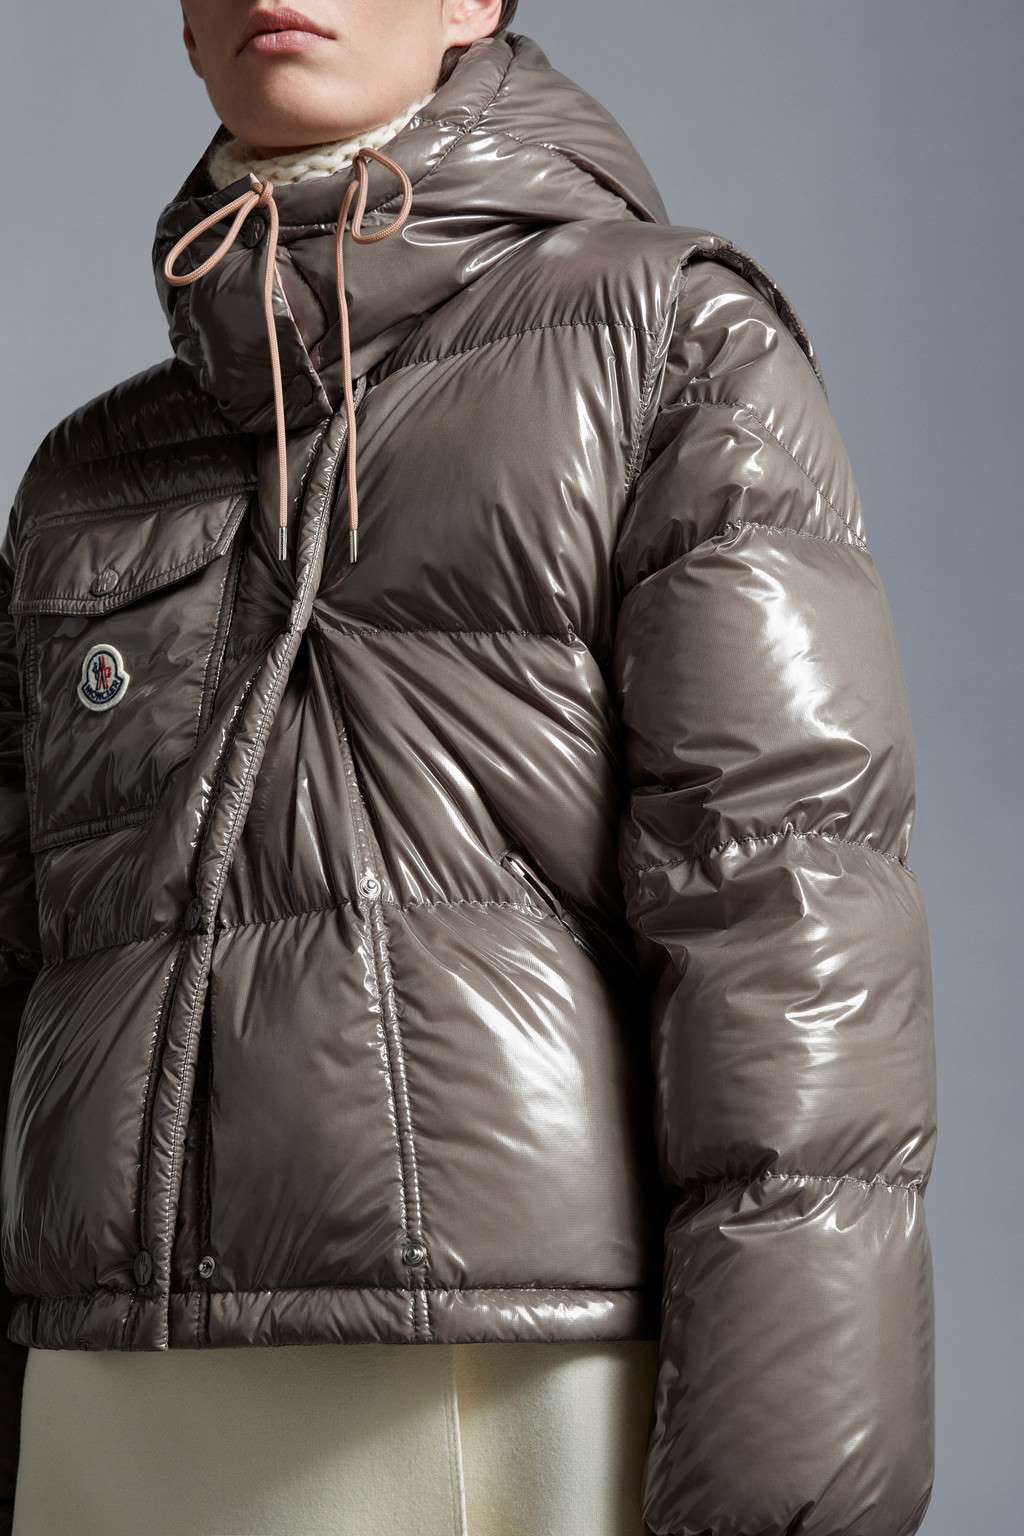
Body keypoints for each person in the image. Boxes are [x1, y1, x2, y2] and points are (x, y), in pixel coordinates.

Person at [0, 3, 938, 1534]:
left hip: (495, 1383)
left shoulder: (667, 346)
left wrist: (781, 1504)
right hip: (102, 1402)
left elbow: (790, 932)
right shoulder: (85, 480)